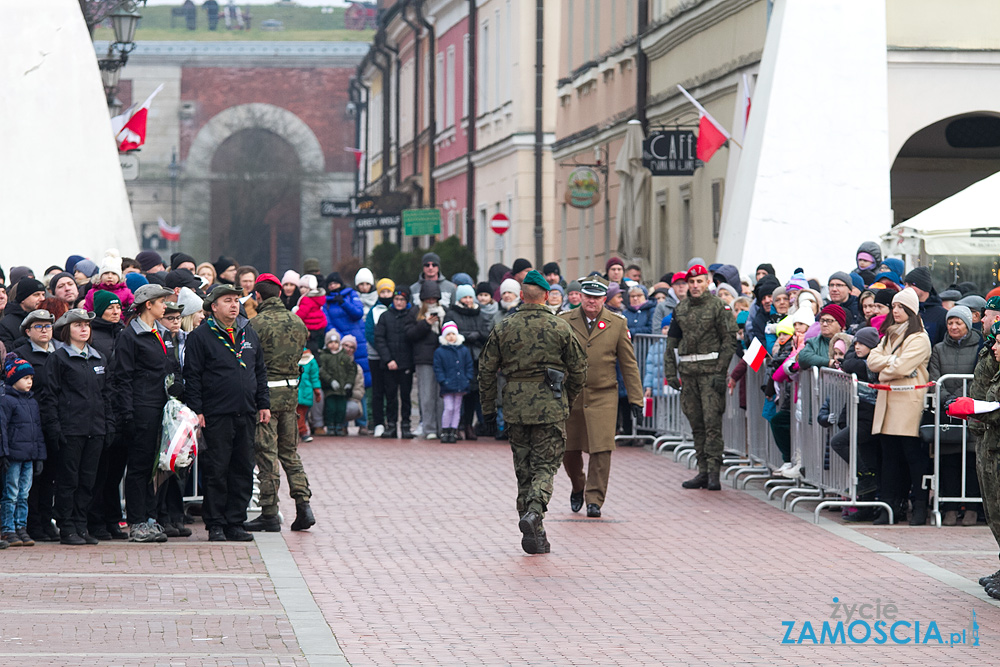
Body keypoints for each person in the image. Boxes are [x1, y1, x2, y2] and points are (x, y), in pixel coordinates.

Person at [479, 270, 587, 553]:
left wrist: (489, 408)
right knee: (545, 467)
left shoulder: (504, 326)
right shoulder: (559, 327)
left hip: (515, 407)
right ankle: (535, 512)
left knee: (523, 471)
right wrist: (568, 398)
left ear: (523, 296)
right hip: (549, 405)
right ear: (546, 297)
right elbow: (579, 368)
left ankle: (535, 535)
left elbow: (486, 368)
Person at [184, 284, 269, 542]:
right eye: (227, 301)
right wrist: (197, 410)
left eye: (236, 301)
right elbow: (193, 376)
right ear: (214, 307)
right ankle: (216, 523)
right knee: (217, 469)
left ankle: (236, 521)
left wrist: (263, 403)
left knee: (242, 467)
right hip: (216, 413)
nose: (234, 305)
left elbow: (260, 372)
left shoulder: (248, 333)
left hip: (246, 411)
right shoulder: (200, 337)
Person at [559, 278, 642, 516]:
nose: (591, 301)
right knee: (568, 448)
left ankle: (594, 499)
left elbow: (629, 364)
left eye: (596, 298)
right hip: (571, 395)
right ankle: (578, 485)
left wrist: (636, 398)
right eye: (587, 297)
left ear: (604, 299)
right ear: (580, 297)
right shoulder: (565, 321)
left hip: (604, 394)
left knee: (602, 448)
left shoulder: (616, 324)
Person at [245, 275, 315, 533]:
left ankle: (269, 513)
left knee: (267, 455)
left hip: (265, 398)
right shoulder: (297, 322)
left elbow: (250, 360)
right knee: (290, 453)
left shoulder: (256, 324)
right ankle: (303, 505)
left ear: (258, 296)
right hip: (290, 396)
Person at [109, 284, 178, 543]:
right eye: (162, 302)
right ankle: (137, 521)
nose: (166, 306)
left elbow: (168, 367)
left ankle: (151, 518)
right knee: (138, 467)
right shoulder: (130, 336)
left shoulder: (160, 333)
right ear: (148, 305)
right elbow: (123, 377)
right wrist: (127, 414)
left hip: (161, 408)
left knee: (154, 467)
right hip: (141, 409)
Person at [664, 265, 741, 491]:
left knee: (712, 425)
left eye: (699, 281)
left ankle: (714, 472)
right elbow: (671, 344)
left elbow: (729, 341)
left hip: (710, 375)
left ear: (707, 282)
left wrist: (720, 372)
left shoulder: (719, 307)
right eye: (692, 282)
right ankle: (702, 471)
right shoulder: (681, 308)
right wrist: (670, 373)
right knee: (696, 424)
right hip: (688, 375)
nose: (695, 286)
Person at [41, 309, 113, 545]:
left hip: (96, 429)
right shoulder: (58, 358)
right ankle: (66, 526)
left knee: (87, 481)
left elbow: (106, 394)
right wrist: (54, 427)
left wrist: (108, 424)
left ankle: (81, 525)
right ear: (67, 330)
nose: (84, 329)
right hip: (70, 429)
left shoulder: (99, 358)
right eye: (78, 325)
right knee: (68, 481)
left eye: (86, 325)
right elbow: (50, 395)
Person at [867, 288, 933, 526]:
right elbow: (872, 360)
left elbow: (901, 368)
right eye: (894, 307)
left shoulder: (919, 338)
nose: (895, 311)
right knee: (890, 459)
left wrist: (887, 367)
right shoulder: (888, 335)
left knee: (914, 459)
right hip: (888, 405)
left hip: (909, 405)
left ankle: (919, 508)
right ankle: (889, 507)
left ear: (911, 311)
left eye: (900, 307)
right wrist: (891, 363)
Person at [927, 305, 982, 526]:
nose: (953, 326)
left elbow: (976, 376)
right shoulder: (939, 348)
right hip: (946, 412)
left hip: (970, 412)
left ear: (967, 325)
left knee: (970, 460)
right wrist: (947, 399)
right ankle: (949, 507)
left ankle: (971, 508)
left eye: (958, 322)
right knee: (948, 460)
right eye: (950, 322)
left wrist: (959, 398)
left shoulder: (979, 347)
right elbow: (934, 377)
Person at [16, 310, 61, 542]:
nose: (45, 330)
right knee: (32, 478)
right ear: (28, 331)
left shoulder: (61, 352)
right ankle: (32, 523)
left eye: (48, 326)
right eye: (39, 326)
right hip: (31, 423)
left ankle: (46, 520)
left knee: (51, 475)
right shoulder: (20, 354)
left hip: (56, 421)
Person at [1, 353, 46, 548]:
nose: (29, 382)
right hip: (13, 456)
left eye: (31, 378)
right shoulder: (6, 401)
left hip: (28, 456)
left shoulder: (32, 402)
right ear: (13, 379)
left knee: (23, 494)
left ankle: (21, 526)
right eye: (25, 378)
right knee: (10, 493)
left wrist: (39, 456)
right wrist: (3, 453)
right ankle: (8, 528)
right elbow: (2, 429)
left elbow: (37, 431)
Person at [446, 284, 491, 440]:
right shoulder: (452, 314)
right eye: (465, 297)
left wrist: (477, 335)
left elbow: (488, 333)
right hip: (458, 358)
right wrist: (465, 336)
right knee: (458, 394)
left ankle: (468, 425)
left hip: (476, 359)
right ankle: (456, 425)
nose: (468, 300)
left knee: (473, 394)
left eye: (470, 297)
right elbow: (449, 332)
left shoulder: (480, 314)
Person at [375, 286, 416, 439]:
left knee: (406, 396)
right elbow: (379, 339)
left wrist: (409, 363)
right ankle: (391, 425)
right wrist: (388, 360)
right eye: (397, 299)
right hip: (389, 364)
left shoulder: (411, 316)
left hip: (406, 364)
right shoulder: (385, 316)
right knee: (391, 396)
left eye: (402, 300)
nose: (399, 303)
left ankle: (406, 425)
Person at [408, 281, 445, 440]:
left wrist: (441, 323)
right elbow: (409, 334)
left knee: (442, 396)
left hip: (443, 358)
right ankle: (429, 427)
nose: (431, 301)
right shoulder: (416, 312)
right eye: (428, 299)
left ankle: (442, 427)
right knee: (426, 395)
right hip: (424, 358)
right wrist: (425, 324)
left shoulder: (445, 312)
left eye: (434, 298)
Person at [433, 322, 474, 443]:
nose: (451, 336)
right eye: (448, 334)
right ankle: (445, 430)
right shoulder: (440, 351)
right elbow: (438, 367)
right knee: (449, 408)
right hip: (447, 385)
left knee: (457, 408)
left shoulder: (463, 350)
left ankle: (453, 431)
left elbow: (468, 365)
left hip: (461, 384)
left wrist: (467, 378)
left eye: (453, 334)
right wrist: (442, 380)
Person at [365, 278, 395, 437]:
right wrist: (383, 351)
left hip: (393, 358)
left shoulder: (397, 308)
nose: (385, 294)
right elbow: (370, 333)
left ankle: (392, 422)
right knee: (377, 391)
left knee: (391, 391)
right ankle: (378, 423)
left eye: (388, 291)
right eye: (382, 291)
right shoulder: (374, 311)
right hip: (376, 357)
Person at [317, 330, 357, 436]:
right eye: (330, 342)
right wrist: (330, 381)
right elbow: (322, 370)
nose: (333, 345)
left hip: (343, 389)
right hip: (330, 389)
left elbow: (351, 370)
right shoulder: (324, 356)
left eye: (335, 342)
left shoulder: (344, 356)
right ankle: (330, 425)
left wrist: (349, 383)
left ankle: (340, 425)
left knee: (341, 408)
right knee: (331, 408)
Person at [903, 266, 949, 346]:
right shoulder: (903, 310)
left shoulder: (941, 315)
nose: (906, 288)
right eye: (905, 284)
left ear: (923, 286)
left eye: (911, 285)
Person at [0, 277, 46, 350]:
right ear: (22, 299)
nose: (42, 299)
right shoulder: (6, 324)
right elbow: (6, 352)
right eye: (36, 295)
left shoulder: (47, 317)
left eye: (43, 294)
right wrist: (28, 338)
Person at [295, 275, 328, 353]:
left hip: (310, 326)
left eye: (305, 287)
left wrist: (294, 315)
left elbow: (301, 314)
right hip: (319, 327)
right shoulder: (317, 298)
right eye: (301, 287)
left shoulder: (306, 299)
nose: (302, 290)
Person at [88, 290, 124, 360]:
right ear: (100, 311)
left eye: (118, 307)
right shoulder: (88, 333)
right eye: (110, 308)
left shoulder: (124, 331)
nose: (116, 312)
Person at [296, 346, 321, 443]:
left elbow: (314, 376)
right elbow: (314, 377)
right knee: (299, 414)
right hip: (302, 391)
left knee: (301, 414)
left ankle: (302, 431)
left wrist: (317, 390)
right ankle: (302, 432)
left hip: (304, 391)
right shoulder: (311, 359)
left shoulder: (310, 359)